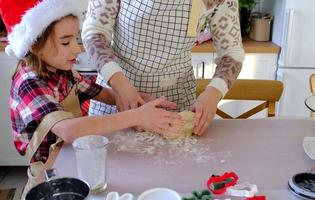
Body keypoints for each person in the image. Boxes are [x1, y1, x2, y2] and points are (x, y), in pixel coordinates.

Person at [0, 0, 183, 164]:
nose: (77, 49)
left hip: (71, 158)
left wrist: (138, 101)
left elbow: (107, 95)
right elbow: (68, 130)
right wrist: (137, 116)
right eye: (66, 42)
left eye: (75, 38)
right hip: (48, 168)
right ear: (35, 45)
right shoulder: (29, 82)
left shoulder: (64, 72)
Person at [82, 0, 245, 136]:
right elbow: (94, 32)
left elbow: (232, 52)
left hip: (176, 105)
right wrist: (119, 85)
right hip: (117, 98)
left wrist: (214, 93)